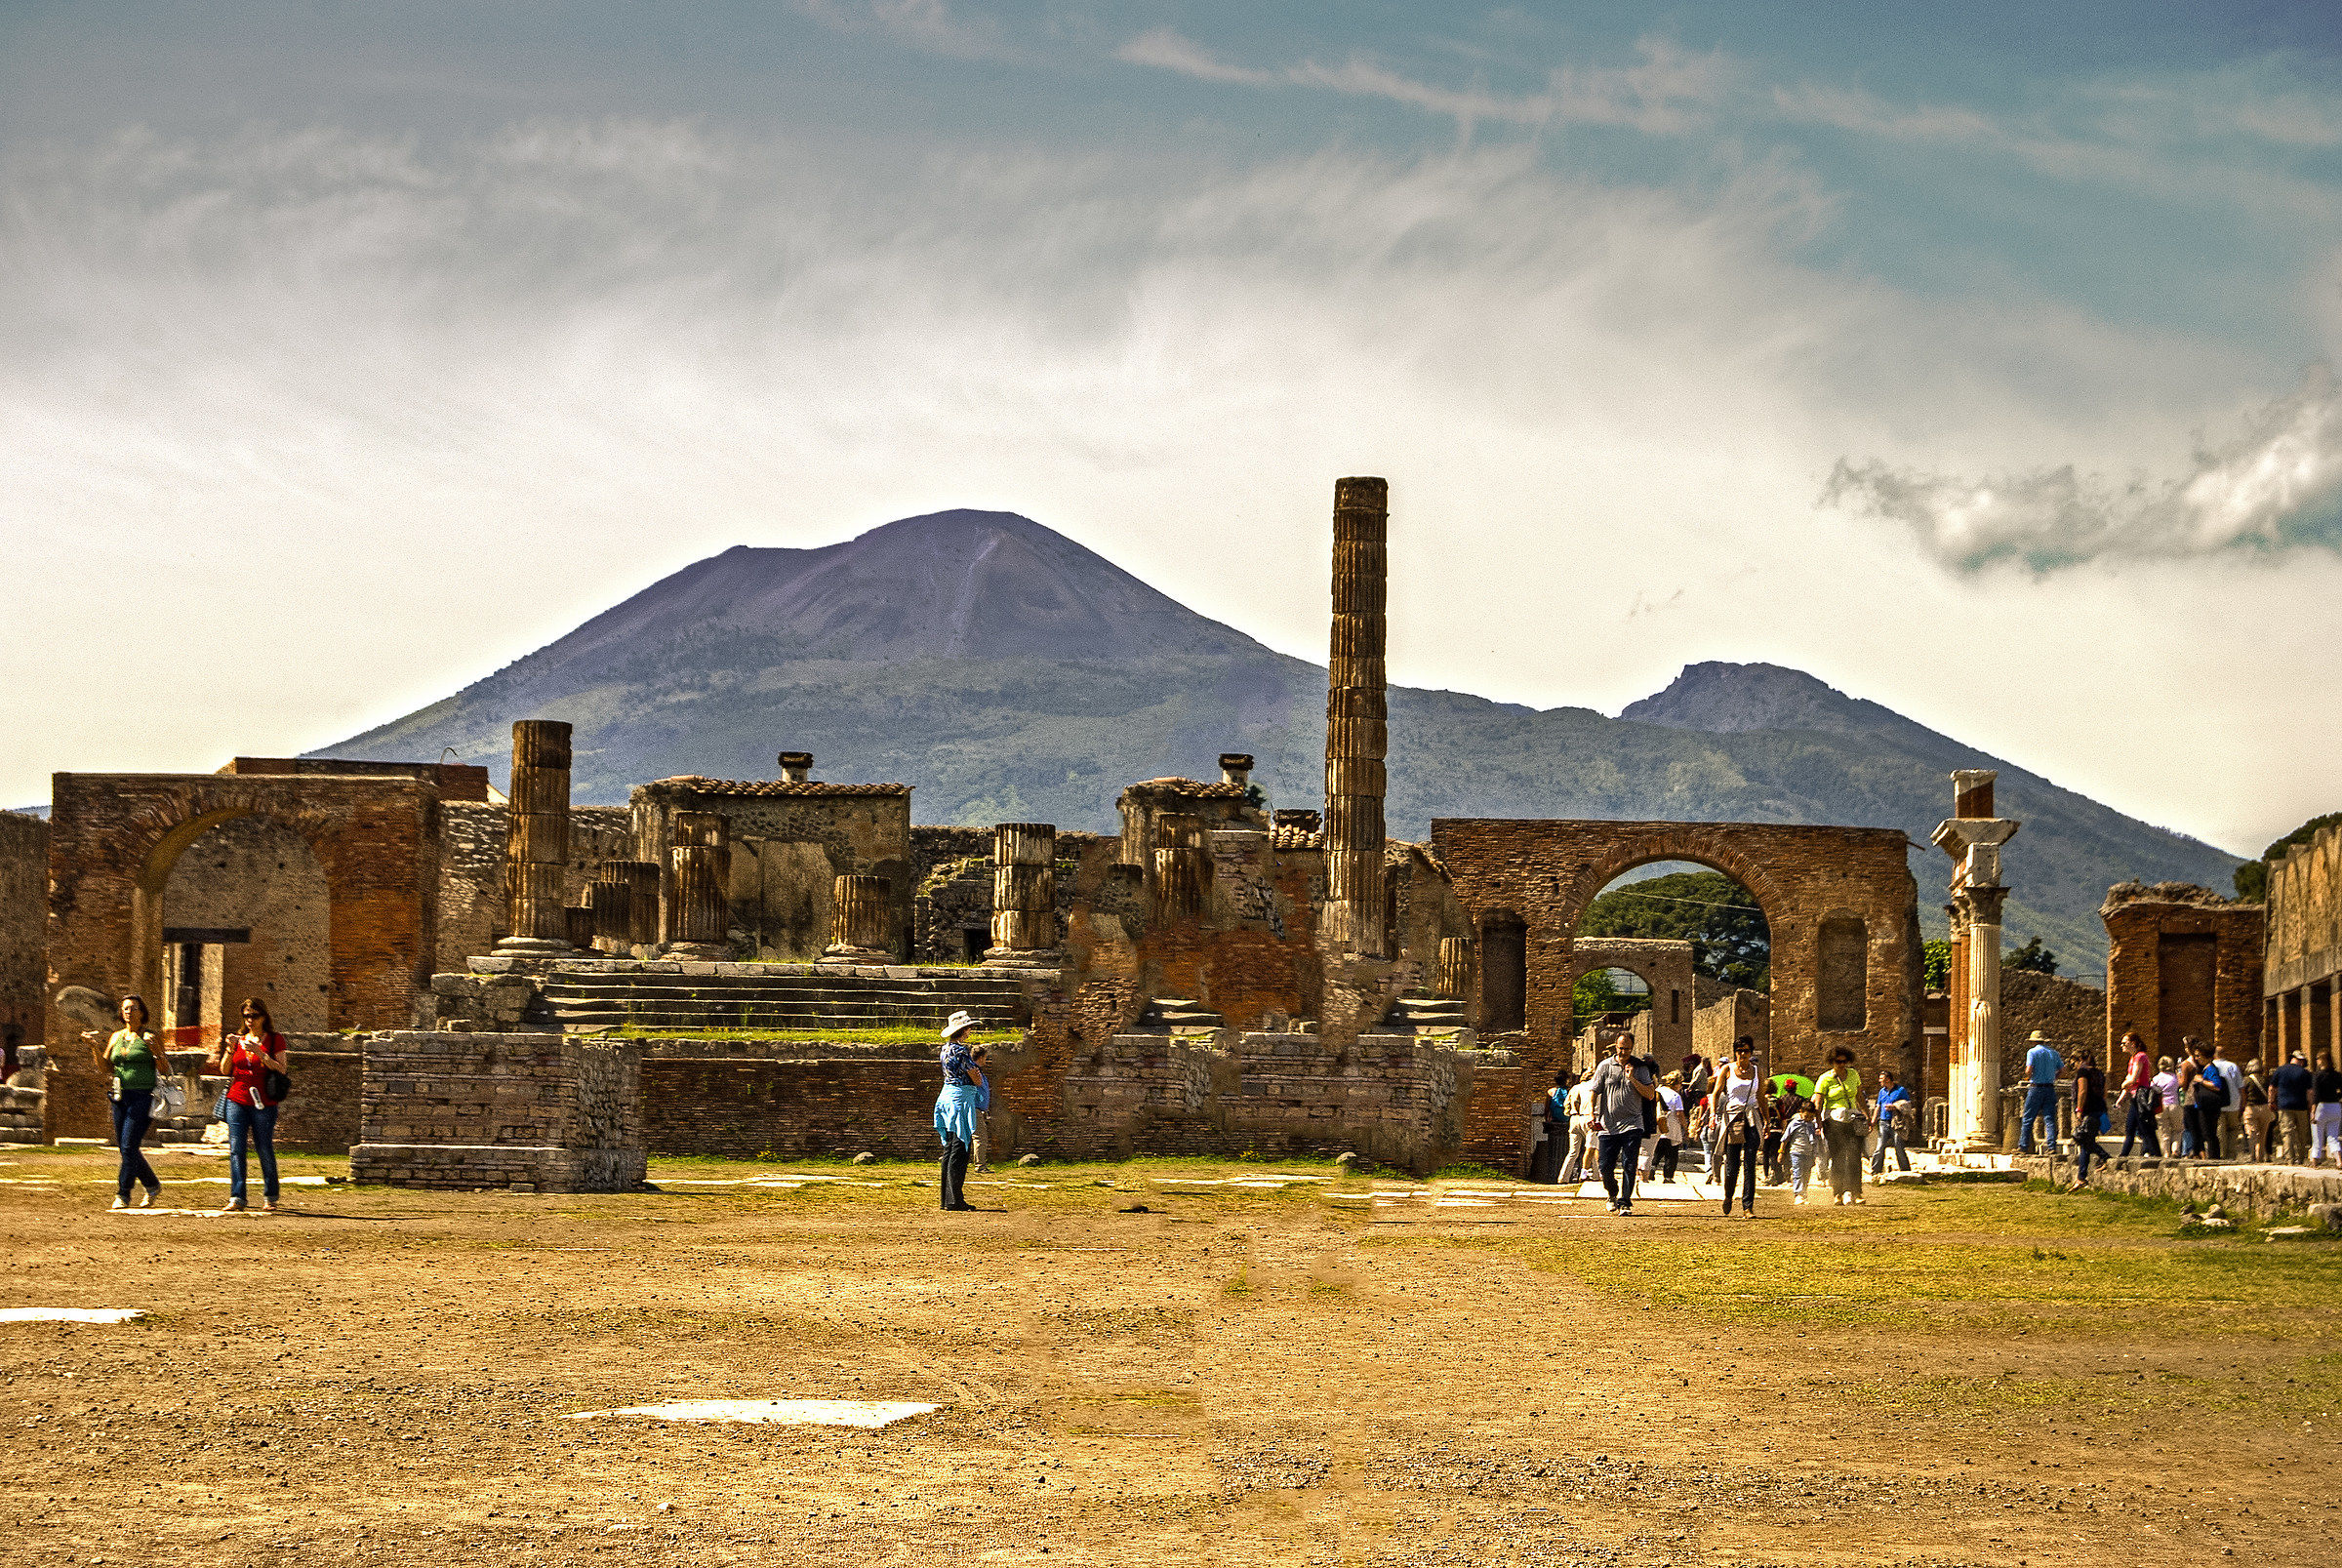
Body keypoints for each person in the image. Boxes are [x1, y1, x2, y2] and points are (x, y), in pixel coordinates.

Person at [82, 995, 163, 1211]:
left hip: (142, 1096)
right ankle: (152, 1185)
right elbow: (105, 1067)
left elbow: (164, 1068)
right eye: (125, 1008)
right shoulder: (116, 1036)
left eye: (133, 1008)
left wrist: (156, 1052)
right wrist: (93, 1047)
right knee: (126, 1147)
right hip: (119, 1097)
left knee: (128, 1146)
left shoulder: (150, 1036)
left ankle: (123, 1194)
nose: (128, 1012)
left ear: (142, 1013)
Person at [210, 998, 288, 1215]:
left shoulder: (274, 1039)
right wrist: (230, 1049)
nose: (250, 1020)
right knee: (236, 1149)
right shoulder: (239, 1039)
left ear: (264, 1016)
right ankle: (237, 1196)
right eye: (246, 1016)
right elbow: (225, 1070)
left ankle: (270, 1196)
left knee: (264, 1147)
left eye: (254, 1015)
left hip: (264, 1101)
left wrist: (260, 1053)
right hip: (237, 1098)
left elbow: (282, 1069)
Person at [1588, 1028, 1658, 1216]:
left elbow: (1650, 1094)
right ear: (1615, 1047)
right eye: (1620, 1048)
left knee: (1629, 1163)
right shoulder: (1605, 1066)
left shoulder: (1640, 1068)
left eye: (1627, 1049)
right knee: (1604, 1166)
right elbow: (1594, 1091)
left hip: (1633, 1124)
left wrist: (1632, 1078)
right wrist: (1591, 1114)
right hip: (1608, 1125)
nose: (1623, 1052)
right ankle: (1612, 1192)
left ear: (1632, 1048)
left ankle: (1625, 1201)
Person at [932, 1011, 982, 1212]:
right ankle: (955, 1200)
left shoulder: (944, 1049)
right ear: (963, 1030)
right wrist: (977, 1078)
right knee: (960, 1149)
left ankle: (947, 1199)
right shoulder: (961, 1051)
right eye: (968, 1028)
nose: (970, 1031)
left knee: (950, 1148)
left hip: (947, 1097)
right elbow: (975, 1077)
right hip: (960, 1100)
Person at [1716, 1035, 1768, 1219]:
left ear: (1750, 1052)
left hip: (1751, 1118)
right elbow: (1716, 1093)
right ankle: (1728, 1195)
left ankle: (1748, 1207)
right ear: (1735, 1053)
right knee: (1732, 1165)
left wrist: (1767, 1120)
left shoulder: (1757, 1071)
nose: (1742, 1054)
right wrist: (1714, 1115)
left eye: (1746, 1051)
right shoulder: (1727, 1069)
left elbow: (1761, 1096)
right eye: (1739, 1051)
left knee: (1750, 1164)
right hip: (1733, 1119)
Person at [1811, 1047, 1866, 1206]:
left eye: (1844, 1061)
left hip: (1852, 1119)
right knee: (1838, 1157)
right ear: (1832, 1062)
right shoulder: (1824, 1079)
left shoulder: (1853, 1074)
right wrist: (1819, 1124)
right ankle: (1838, 1193)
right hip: (1833, 1122)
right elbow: (1818, 1103)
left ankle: (1856, 1192)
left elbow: (1859, 1096)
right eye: (1838, 1062)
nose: (1842, 1064)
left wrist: (1867, 1116)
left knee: (1855, 1156)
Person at [2017, 1031, 2063, 1156]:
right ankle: (2051, 1146)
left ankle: (2023, 1147)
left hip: (2036, 1087)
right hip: (2050, 1088)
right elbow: (2063, 1070)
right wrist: (2054, 1077)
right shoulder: (2054, 1053)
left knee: (2028, 1118)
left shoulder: (2032, 1052)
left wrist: (2030, 1076)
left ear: (2033, 1041)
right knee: (2049, 1118)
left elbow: (2028, 1070)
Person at [2118, 1034, 2161, 1158]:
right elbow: (2129, 1082)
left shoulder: (2140, 1056)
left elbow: (2133, 1079)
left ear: (2133, 1043)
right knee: (2130, 1127)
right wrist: (2120, 1099)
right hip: (2135, 1097)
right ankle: (2123, 1156)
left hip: (2141, 1097)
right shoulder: (2133, 1059)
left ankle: (2156, 1155)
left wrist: (2124, 1083)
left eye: (2124, 1043)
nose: (2122, 1045)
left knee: (2145, 1128)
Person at [2269, 1051, 2312, 1166]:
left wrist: (2271, 1101)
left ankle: (2290, 1159)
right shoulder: (2305, 1073)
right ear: (2301, 1061)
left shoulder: (2280, 1070)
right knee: (2302, 1133)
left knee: (2287, 1133)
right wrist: (2310, 1105)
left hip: (2284, 1106)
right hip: (2301, 1107)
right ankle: (2301, 1158)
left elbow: (2272, 1088)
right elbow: (2310, 1092)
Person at [2070, 1056, 2107, 1186]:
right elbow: (2105, 1093)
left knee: (2085, 1141)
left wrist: (2079, 1110)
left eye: (2073, 1063)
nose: (2074, 1067)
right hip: (2099, 1109)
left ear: (2081, 1060)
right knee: (2085, 1142)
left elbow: (2082, 1091)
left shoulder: (2083, 1072)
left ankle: (2106, 1157)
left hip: (2088, 1110)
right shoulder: (2099, 1073)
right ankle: (2081, 1177)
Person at [2185, 1040, 2224, 1161]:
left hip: (2209, 1106)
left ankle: (2213, 1157)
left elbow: (2217, 1085)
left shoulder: (2211, 1069)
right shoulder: (2206, 1069)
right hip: (2203, 1105)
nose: (2196, 1058)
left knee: (2209, 1133)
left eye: (2198, 1056)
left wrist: (2201, 1081)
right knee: (2205, 1132)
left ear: (2206, 1056)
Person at [1869, 1069, 1913, 1176]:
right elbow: (1878, 1106)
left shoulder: (1900, 1090)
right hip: (1883, 1121)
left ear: (1888, 1079)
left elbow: (1908, 1104)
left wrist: (1894, 1107)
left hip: (1896, 1122)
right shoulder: (1882, 1091)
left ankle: (1905, 1170)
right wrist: (1873, 1120)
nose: (1879, 1081)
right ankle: (1875, 1171)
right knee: (1880, 1146)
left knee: (1898, 1146)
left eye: (1881, 1079)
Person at [1644, 1072, 1686, 1183]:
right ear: (1676, 1084)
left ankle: (1651, 1169)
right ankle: (1668, 1177)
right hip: (1671, 1127)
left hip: (1657, 1124)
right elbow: (1679, 1113)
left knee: (1657, 1151)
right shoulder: (1675, 1096)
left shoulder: (1657, 1090)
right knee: (1671, 1153)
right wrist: (1685, 1127)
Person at [1559, 1070, 1598, 1185]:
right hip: (1588, 1117)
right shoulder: (1594, 1087)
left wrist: (1570, 1112)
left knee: (1573, 1152)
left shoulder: (1575, 1088)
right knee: (1592, 1147)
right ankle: (1596, 1175)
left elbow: (1566, 1104)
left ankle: (1563, 1177)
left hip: (1574, 1119)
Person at [1780, 1104, 1823, 1205]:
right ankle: (1798, 1194)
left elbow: (1815, 1139)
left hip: (1809, 1153)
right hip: (1796, 1152)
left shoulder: (1812, 1125)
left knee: (1806, 1174)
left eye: (1811, 1117)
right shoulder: (1794, 1123)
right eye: (1806, 1116)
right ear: (1801, 1112)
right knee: (1797, 1173)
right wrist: (1781, 1152)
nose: (1808, 1119)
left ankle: (1804, 1194)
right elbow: (1785, 1138)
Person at [2211, 1041, 2245, 1162]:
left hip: (2217, 1103)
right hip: (2234, 1103)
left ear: (2214, 1054)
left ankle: (2222, 1155)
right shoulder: (2232, 1066)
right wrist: (2243, 1104)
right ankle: (2231, 1156)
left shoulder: (2211, 1066)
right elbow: (2241, 1088)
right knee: (2233, 1129)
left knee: (2220, 1130)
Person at [2313, 1052, 2342, 1169]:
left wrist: (2313, 1111)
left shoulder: (2318, 1076)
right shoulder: (2337, 1075)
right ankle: (2339, 1160)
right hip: (2335, 1106)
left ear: (2321, 1060)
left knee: (2317, 1136)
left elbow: (2316, 1095)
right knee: (2333, 1137)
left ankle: (2315, 1161)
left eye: (2317, 1058)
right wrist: (2337, 1097)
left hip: (2322, 1107)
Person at [2241, 1061, 2272, 1163]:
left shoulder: (2246, 1080)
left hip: (2251, 1108)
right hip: (2265, 1108)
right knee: (2263, 1135)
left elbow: (2243, 1096)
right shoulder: (2266, 1080)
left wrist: (2242, 1108)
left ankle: (2252, 1155)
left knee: (2251, 1133)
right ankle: (2260, 1157)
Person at [2152, 1055, 2182, 1159]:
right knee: (2177, 1130)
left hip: (2161, 1106)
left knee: (2164, 1132)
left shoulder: (2156, 1079)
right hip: (2174, 1105)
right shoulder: (2175, 1078)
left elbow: (2151, 1089)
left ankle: (2166, 1154)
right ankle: (2175, 1150)